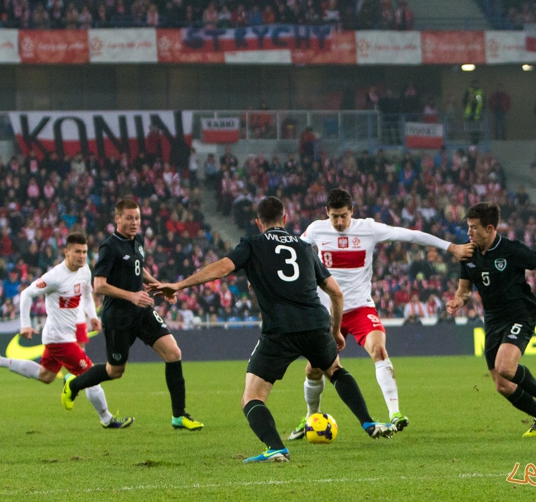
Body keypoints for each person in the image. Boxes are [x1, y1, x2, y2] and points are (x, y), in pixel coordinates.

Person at [147, 196, 397, 463]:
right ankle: (368, 422)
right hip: (316, 324)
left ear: (258, 222)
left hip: (280, 330)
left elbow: (221, 269)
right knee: (335, 370)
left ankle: (276, 447)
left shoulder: (252, 244)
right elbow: (336, 293)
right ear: (285, 219)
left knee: (251, 397)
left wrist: (179, 285)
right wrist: (335, 331)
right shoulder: (304, 246)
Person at [288, 188, 473, 440]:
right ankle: (311, 416)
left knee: (379, 350)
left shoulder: (369, 229)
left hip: (361, 308)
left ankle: (395, 414)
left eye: (343, 215)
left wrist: (450, 247)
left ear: (352, 211)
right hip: (327, 313)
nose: (340, 222)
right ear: (326, 214)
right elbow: (292, 253)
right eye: (334, 217)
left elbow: (411, 235)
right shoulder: (316, 230)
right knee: (313, 369)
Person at [59, 199, 203, 431]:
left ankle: (179, 415)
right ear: (117, 219)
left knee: (174, 352)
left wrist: (161, 286)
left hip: (142, 311)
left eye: (137, 217)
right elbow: (99, 285)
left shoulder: (138, 241)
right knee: (115, 371)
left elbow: (138, 268)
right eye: (129, 218)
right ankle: (73, 384)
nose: (134, 222)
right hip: (118, 317)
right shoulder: (109, 247)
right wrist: (132, 296)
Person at [0, 233, 132, 429]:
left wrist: (92, 316)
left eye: (84, 252)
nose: (82, 256)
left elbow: (87, 294)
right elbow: (26, 294)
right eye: (77, 252)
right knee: (91, 375)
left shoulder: (85, 270)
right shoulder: (55, 276)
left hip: (64, 336)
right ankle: (106, 418)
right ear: (66, 252)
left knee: (45, 376)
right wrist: (25, 324)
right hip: (59, 339)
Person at [446, 202, 536, 437]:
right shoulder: (468, 254)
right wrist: (458, 301)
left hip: (520, 313)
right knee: (501, 384)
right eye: (468, 227)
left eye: (473, 228)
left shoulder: (512, 250)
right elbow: (464, 290)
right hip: (493, 319)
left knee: (505, 367)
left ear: (490, 228)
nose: (469, 233)